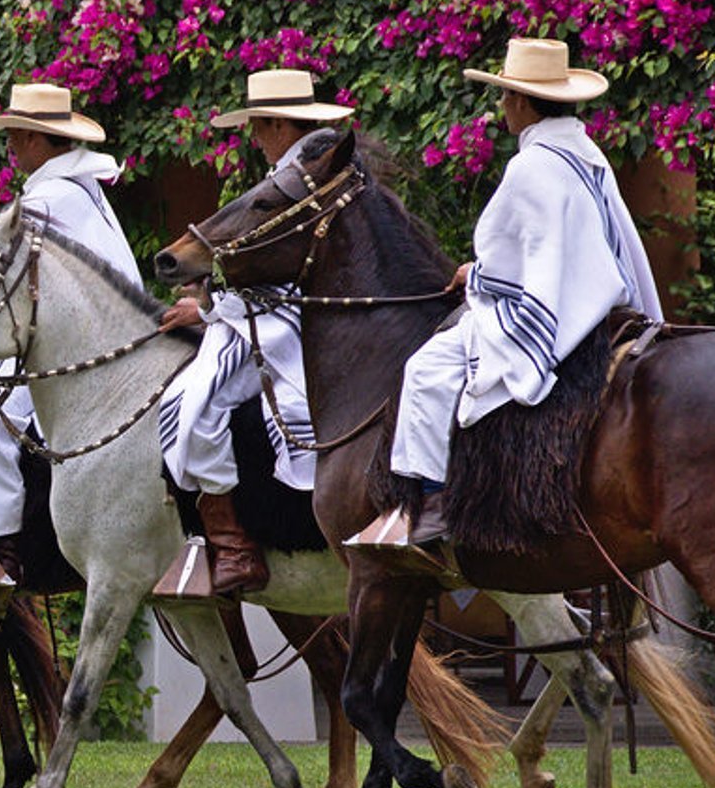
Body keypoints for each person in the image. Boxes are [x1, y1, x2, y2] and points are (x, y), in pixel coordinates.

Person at [356, 38, 663, 551]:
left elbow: (516, 265)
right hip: (599, 301)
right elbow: (558, 247)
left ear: (522, 102)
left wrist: (476, 276)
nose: (502, 107)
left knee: (427, 370)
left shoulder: (533, 165)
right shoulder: (585, 154)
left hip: (555, 313)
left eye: (504, 97)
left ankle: (431, 504)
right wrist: (484, 268)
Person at [156, 68, 353, 594]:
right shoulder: (311, 168)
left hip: (288, 326)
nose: (254, 138)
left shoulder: (296, 180)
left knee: (189, 406)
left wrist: (214, 309)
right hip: (281, 315)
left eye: (259, 126)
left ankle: (233, 544)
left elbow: (278, 274)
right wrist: (208, 309)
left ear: (279, 125)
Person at [0, 82, 139, 573]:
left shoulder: (52, 196)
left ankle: (2, 546)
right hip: (87, 328)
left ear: (35, 138)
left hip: (84, 341)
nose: (9, 144)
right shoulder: (77, 185)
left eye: (15, 134)